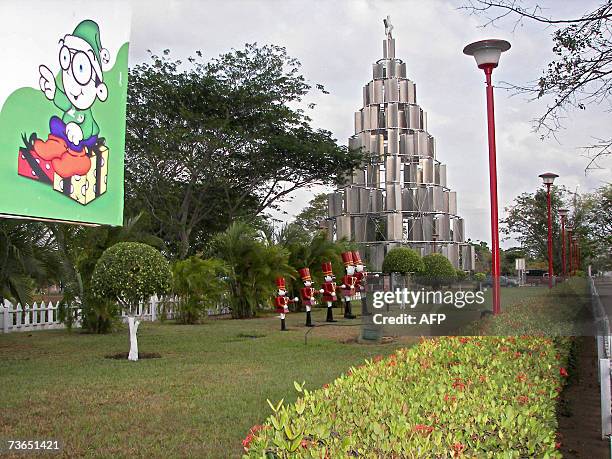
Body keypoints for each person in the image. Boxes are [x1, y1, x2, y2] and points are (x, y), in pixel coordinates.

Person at [340, 252, 357, 319]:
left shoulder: (351, 277)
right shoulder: (346, 277)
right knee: (348, 300)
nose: (353, 269)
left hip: (349, 290)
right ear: (346, 268)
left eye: (353, 268)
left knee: (348, 300)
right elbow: (345, 283)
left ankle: (348, 313)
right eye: (351, 267)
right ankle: (348, 313)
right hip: (346, 290)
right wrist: (349, 286)